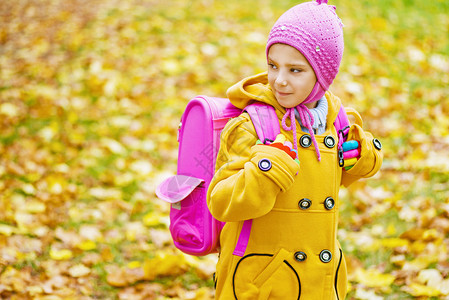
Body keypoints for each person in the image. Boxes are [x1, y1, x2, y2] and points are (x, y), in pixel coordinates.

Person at [207, 0, 383, 299]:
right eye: (273, 65)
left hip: (318, 277)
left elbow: (322, 182)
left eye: (296, 70)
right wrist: (265, 172)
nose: (280, 80)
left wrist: (361, 160)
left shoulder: (335, 121)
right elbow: (222, 202)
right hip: (262, 278)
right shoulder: (253, 126)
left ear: (323, 75)